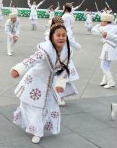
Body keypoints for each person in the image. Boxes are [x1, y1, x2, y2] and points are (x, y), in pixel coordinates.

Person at [10, 16, 79, 144]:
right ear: (52, 36)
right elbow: (31, 60)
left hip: (50, 84)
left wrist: (61, 84)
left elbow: (65, 70)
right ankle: (37, 131)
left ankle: (41, 126)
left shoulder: (67, 52)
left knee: (51, 105)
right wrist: (18, 69)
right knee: (34, 106)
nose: (61, 37)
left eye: (64, 35)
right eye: (58, 35)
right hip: (35, 80)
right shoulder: (45, 50)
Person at [91, 13, 117, 89]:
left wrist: (97, 25)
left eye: (102, 21)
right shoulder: (116, 27)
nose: (101, 22)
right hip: (114, 47)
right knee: (107, 65)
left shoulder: (104, 28)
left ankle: (111, 82)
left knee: (103, 65)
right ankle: (105, 81)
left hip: (108, 47)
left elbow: (93, 31)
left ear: (106, 22)